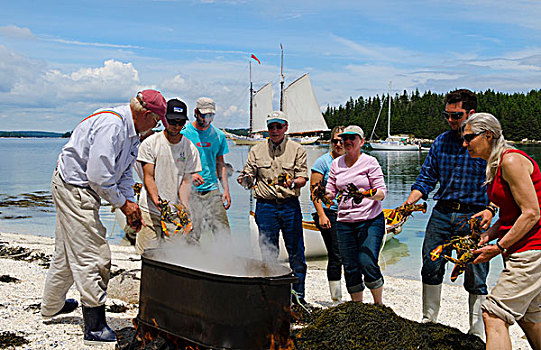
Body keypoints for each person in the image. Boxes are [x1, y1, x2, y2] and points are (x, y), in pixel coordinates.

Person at [41, 90, 167, 345]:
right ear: (146, 114)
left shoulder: (133, 133)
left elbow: (123, 175)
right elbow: (98, 177)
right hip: (75, 188)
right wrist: (122, 204)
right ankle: (95, 326)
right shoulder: (113, 126)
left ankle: (51, 307)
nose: (156, 127)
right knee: (94, 254)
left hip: (82, 187)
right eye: (156, 121)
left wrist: (129, 204)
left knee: (66, 254)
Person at [402, 89, 494, 339]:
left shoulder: (486, 144)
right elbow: (426, 179)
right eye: (448, 115)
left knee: (476, 273)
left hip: (474, 217)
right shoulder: (441, 142)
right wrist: (406, 206)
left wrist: (490, 209)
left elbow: (501, 183)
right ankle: (429, 320)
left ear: (471, 114)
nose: (452, 120)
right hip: (442, 213)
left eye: (457, 115)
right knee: (430, 266)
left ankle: (476, 331)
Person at [462, 113, 541, 350]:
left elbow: (532, 213)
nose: (464, 144)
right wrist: (490, 234)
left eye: (469, 138)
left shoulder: (511, 161)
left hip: (532, 250)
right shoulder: (496, 163)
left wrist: (498, 247)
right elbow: (512, 214)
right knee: (531, 316)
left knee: (493, 314)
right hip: (524, 250)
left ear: (488, 135)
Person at [238, 111, 309, 306]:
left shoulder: (297, 149)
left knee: (296, 253)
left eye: (279, 126)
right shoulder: (256, 151)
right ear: (267, 129)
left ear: (286, 127)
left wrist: (293, 183)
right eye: (271, 127)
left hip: (289, 206)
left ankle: (298, 297)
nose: (275, 130)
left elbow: (303, 178)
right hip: (265, 207)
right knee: (268, 253)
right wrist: (244, 180)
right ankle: (271, 296)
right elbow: (248, 177)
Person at [325, 125, 387, 304]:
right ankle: (357, 307)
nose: (347, 142)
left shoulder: (370, 162)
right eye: (345, 138)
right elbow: (331, 190)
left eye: (353, 138)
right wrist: (325, 194)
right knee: (350, 266)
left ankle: (378, 304)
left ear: (362, 141)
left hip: (370, 220)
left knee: (366, 261)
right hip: (344, 221)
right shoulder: (336, 163)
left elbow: (382, 192)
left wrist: (366, 193)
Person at [135, 98, 202, 254]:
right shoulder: (151, 143)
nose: (176, 126)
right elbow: (148, 177)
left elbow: (186, 182)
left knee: (175, 255)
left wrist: (184, 208)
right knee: (147, 254)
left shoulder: (190, 148)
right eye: (173, 122)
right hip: (149, 210)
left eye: (180, 123)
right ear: (165, 120)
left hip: (174, 213)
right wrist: (157, 200)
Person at [181, 97, 231, 242]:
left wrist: (226, 190)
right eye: (204, 115)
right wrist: (191, 173)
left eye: (211, 116)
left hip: (212, 189)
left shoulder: (219, 136)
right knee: (191, 232)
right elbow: (176, 161)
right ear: (196, 112)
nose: (207, 119)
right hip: (189, 190)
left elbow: (220, 163)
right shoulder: (184, 133)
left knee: (223, 231)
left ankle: (226, 261)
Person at [310, 125, 345, 305]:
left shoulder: (353, 161)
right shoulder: (323, 162)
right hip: (328, 212)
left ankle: (354, 295)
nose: (338, 144)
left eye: (342, 140)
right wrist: (321, 215)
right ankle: (336, 298)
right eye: (335, 141)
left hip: (349, 213)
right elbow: (314, 192)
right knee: (336, 254)